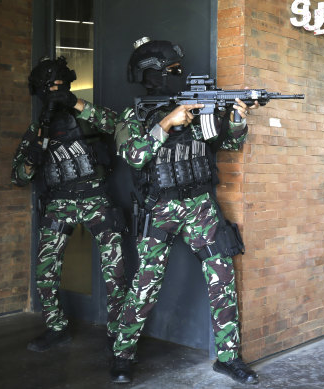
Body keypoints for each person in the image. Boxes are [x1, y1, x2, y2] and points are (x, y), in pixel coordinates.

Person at [109, 37, 259, 385]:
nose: (178, 75)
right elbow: (133, 156)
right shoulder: (132, 115)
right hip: (158, 206)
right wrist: (166, 123)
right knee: (145, 284)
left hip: (201, 205)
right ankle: (122, 354)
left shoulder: (197, 109)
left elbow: (231, 144)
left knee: (222, 277)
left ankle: (229, 357)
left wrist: (237, 118)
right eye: (171, 70)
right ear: (152, 73)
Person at [11, 56, 127, 353]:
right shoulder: (38, 129)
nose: (56, 91)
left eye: (61, 85)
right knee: (45, 270)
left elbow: (118, 125)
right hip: (59, 202)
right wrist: (31, 160)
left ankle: (119, 332)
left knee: (115, 270)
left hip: (95, 198)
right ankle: (56, 327)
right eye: (50, 87)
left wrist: (76, 103)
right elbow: (18, 178)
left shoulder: (86, 114)